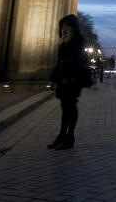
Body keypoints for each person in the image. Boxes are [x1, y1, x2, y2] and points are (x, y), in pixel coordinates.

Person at [48, 14, 88, 150]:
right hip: (64, 79)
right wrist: (55, 78)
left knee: (70, 107)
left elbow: (78, 60)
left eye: (67, 26)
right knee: (66, 108)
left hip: (72, 79)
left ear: (72, 27)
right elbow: (60, 62)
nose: (64, 29)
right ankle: (62, 135)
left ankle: (69, 136)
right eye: (63, 26)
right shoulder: (65, 42)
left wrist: (72, 77)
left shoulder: (76, 40)